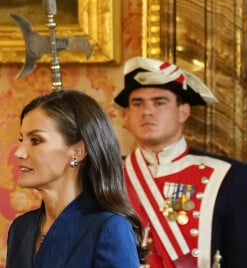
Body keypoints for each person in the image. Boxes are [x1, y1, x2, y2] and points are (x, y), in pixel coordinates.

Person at [114, 56, 247, 268]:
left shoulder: (227, 176)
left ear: (183, 111)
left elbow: (244, 261)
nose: (147, 111)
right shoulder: (107, 174)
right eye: (138, 103)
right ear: (126, 115)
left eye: (160, 102)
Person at [6, 90, 148, 268]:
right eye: (21, 140)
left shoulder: (109, 228)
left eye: (35, 140)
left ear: (78, 151)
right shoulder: (21, 228)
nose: (19, 152)